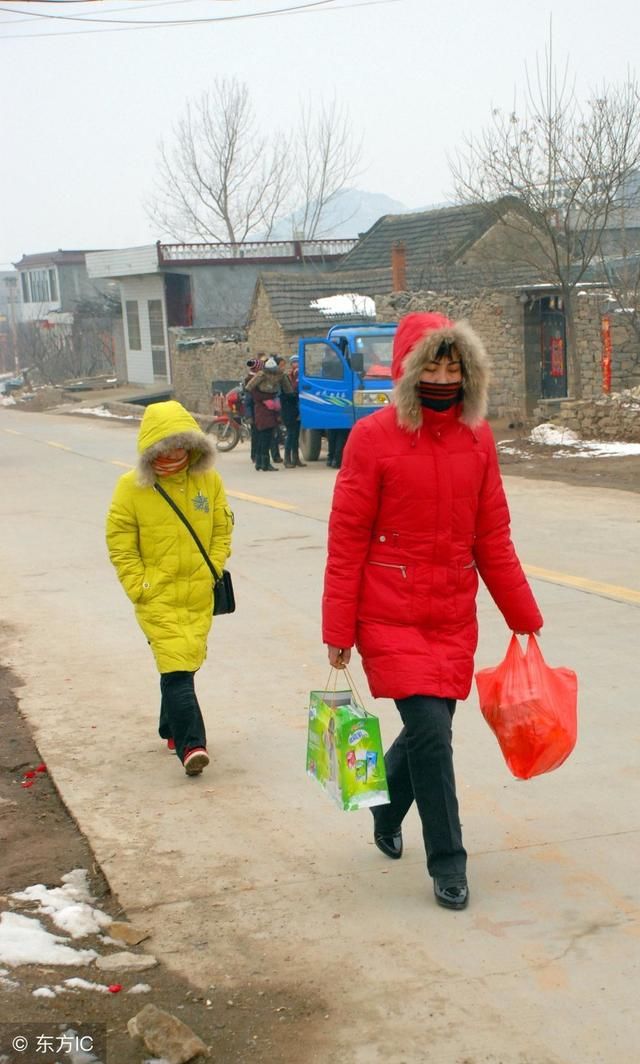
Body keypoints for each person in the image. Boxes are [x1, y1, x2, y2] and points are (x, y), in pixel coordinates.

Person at [322, 312, 543, 910]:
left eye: (454, 365)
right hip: (388, 611)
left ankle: (387, 808)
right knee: (430, 735)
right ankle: (448, 862)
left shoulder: (478, 438)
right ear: (408, 370)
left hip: (450, 613)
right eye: (433, 365)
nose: (444, 376)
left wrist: (523, 612)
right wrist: (338, 629)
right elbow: (347, 539)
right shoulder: (372, 438)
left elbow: (491, 536)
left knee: (431, 732)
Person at [106, 400, 233, 777]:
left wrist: (213, 566)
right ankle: (193, 744)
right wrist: (138, 584)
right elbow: (119, 540)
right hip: (156, 594)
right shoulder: (132, 487)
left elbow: (223, 526)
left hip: (198, 591)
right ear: (152, 449)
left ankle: (170, 727)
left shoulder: (207, 480)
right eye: (166, 446)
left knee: (183, 663)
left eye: (182, 443)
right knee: (178, 667)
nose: (175, 453)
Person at [245, 357, 291, 472]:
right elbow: (288, 390)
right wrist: (266, 399)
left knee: (263, 436)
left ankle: (260, 463)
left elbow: (287, 389)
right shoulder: (261, 377)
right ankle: (265, 463)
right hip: (264, 409)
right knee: (265, 436)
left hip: (266, 409)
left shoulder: (263, 376)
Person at [280, 354, 306, 468]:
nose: (296, 364)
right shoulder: (284, 378)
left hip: (295, 408)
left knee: (295, 434)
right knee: (291, 434)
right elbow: (289, 393)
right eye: (294, 362)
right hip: (288, 409)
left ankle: (295, 458)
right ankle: (287, 459)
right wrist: (294, 394)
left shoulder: (293, 375)